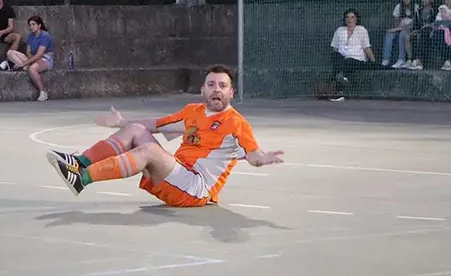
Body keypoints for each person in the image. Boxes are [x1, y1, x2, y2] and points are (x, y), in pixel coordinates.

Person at [45, 64, 283, 206]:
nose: (216, 89)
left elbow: (253, 155)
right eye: (211, 84)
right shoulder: (193, 111)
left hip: (197, 189)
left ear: (231, 92)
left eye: (222, 85)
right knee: (138, 130)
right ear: (203, 89)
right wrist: (122, 122)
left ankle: (83, 178)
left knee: (148, 151)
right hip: (177, 172)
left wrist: (263, 158)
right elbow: (157, 124)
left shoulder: (237, 124)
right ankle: (78, 163)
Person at [4, 14, 53, 100]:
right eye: (30, 25)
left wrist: (23, 63)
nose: (31, 27)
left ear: (39, 25)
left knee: (32, 69)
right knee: (10, 53)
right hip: (32, 58)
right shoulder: (30, 36)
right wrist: (29, 60)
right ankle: (26, 66)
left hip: (45, 59)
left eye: (33, 24)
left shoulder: (45, 36)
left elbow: (39, 55)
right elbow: (28, 52)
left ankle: (43, 92)